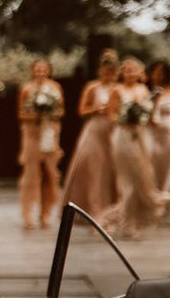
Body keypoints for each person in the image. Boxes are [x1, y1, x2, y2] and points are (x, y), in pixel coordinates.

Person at [101, 57, 168, 239]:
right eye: (126, 70)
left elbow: (149, 115)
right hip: (123, 135)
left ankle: (114, 218)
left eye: (133, 70)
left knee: (143, 177)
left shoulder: (143, 90)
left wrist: (143, 118)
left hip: (141, 136)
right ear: (122, 73)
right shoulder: (117, 90)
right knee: (128, 180)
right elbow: (111, 115)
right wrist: (126, 118)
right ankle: (127, 224)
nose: (130, 73)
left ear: (140, 73)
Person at [60, 49, 119, 219]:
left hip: (113, 130)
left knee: (112, 170)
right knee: (94, 168)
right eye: (105, 71)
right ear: (100, 71)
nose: (108, 75)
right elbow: (81, 111)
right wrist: (97, 109)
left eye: (111, 72)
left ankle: (112, 211)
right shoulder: (92, 87)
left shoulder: (118, 88)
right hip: (95, 128)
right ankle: (94, 211)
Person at [17, 58, 64, 229]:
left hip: (50, 132)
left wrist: (50, 112)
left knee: (49, 174)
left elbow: (61, 110)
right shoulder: (26, 88)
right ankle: (28, 214)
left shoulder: (55, 87)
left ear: (48, 70)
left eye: (43, 69)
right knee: (31, 174)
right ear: (32, 70)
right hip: (32, 133)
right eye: (37, 69)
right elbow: (21, 113)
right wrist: (37, 114)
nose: (40, 72)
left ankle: (45, 213)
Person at [148, 61, 170, 193]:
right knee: (154, 161)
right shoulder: (151, 92)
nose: (158, 75)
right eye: (155, 72)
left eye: (161, 72)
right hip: (153, 132)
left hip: (168, 132)